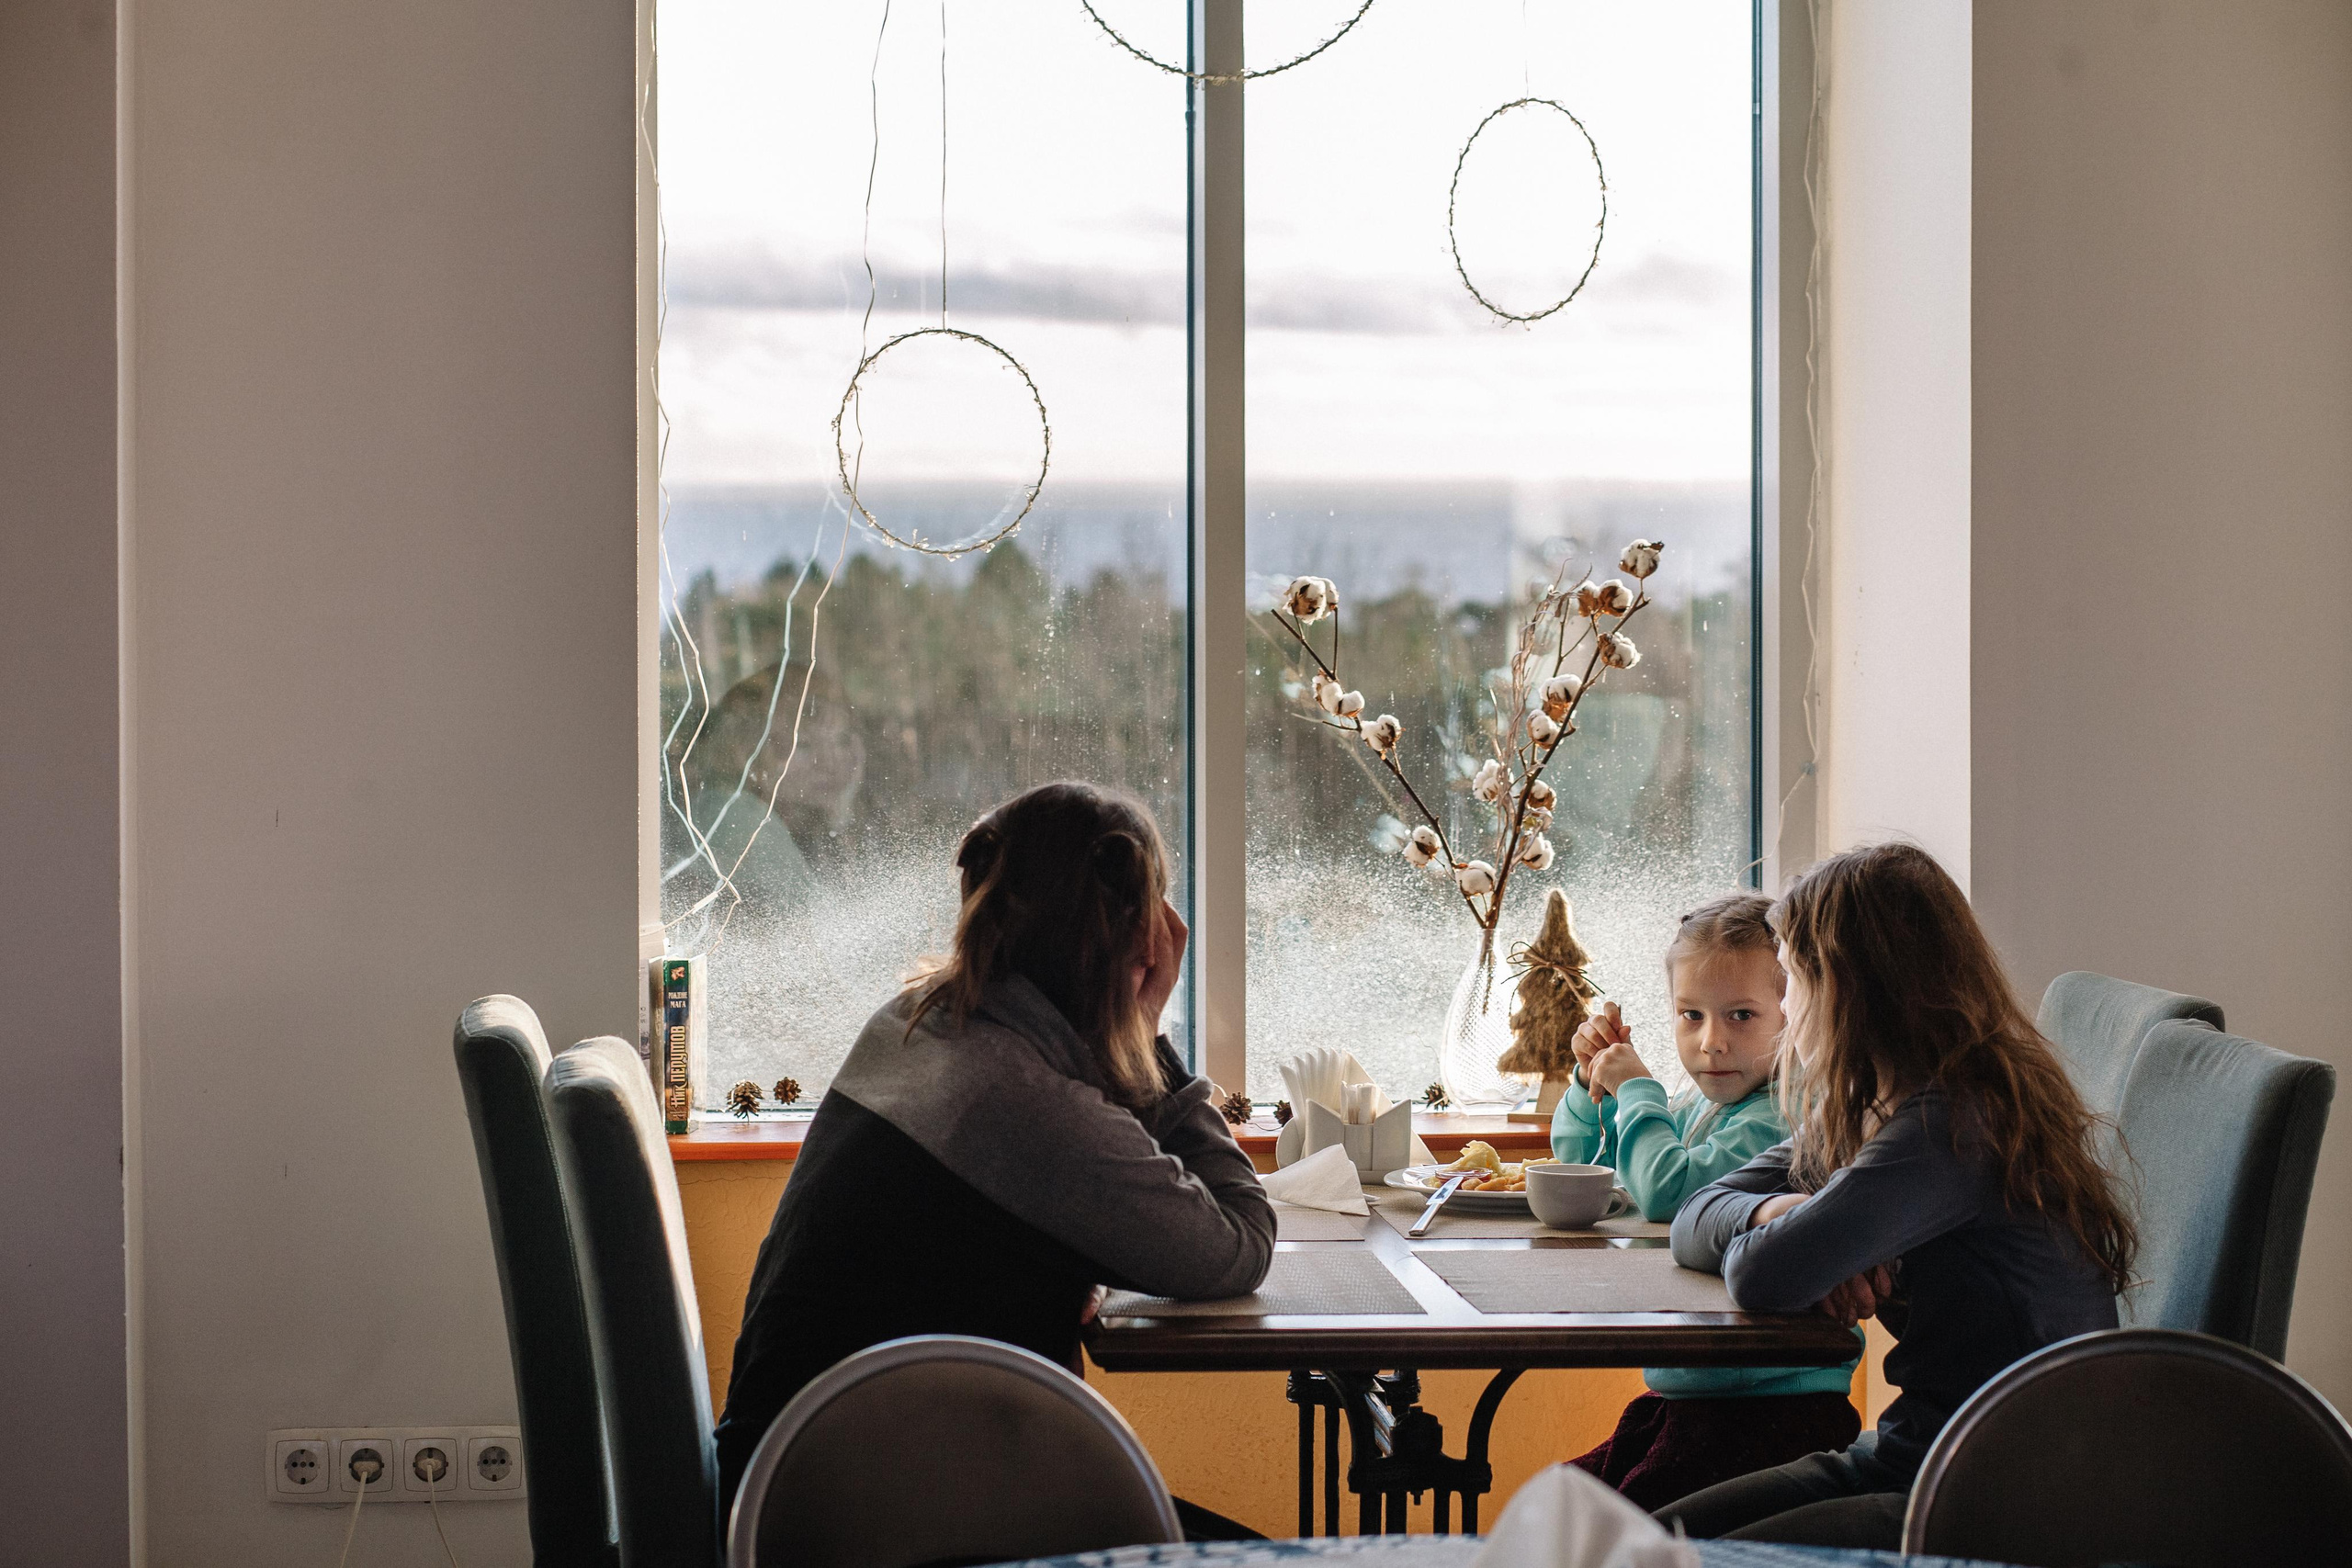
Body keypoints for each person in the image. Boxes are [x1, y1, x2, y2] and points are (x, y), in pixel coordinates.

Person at [713, 782, 1274, 1531]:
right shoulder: (1019, 1096)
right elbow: (1238, 1244)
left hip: (803, 1482)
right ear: (1136, 940)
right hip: (876, 1521)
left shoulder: (923, 1023)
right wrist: (1148, 1034)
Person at [1657, 842, 2132, 1547]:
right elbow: (1694, 1217)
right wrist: (1779, 1211)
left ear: (1849, 988)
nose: (1786, 1008)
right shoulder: (1880, 1103)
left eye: (1792, 982)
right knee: (1649, 1536)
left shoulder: (1952, 1124)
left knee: (1666, 1554)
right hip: (1919, 1453)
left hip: (2002, 1487)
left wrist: (1811, 1236)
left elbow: (1761, 1274)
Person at [1552, 892, 1861, 1509]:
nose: (1711, 1041)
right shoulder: (1696, 1108)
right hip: (1691, 1393)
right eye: (1690, 1015)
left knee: (1614, 1531)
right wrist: (1592, 1088)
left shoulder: (1782, 1115)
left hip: (1772, 1404)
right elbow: (1592, 1172)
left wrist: (1637, 1089)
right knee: (1560, 1506)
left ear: (1792, 1013)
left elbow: (1669, 1194)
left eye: (1740, 1015)